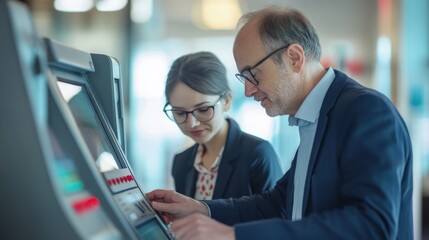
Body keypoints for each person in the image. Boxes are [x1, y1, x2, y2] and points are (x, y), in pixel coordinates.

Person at [148, 6, 413, 240]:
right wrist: (201, 208)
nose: (250, 91)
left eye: (253, 74)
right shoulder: (313, 120)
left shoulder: (365, 110)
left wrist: (234, 235)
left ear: (294, 58)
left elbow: (372, 225)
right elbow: (277, 203)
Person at [163, 51, 283, 200]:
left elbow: (275, 218)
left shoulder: (257, 155)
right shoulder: (181, 163)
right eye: (180, 113)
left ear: (226, 101)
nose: (192, 123)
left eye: (203, 109)